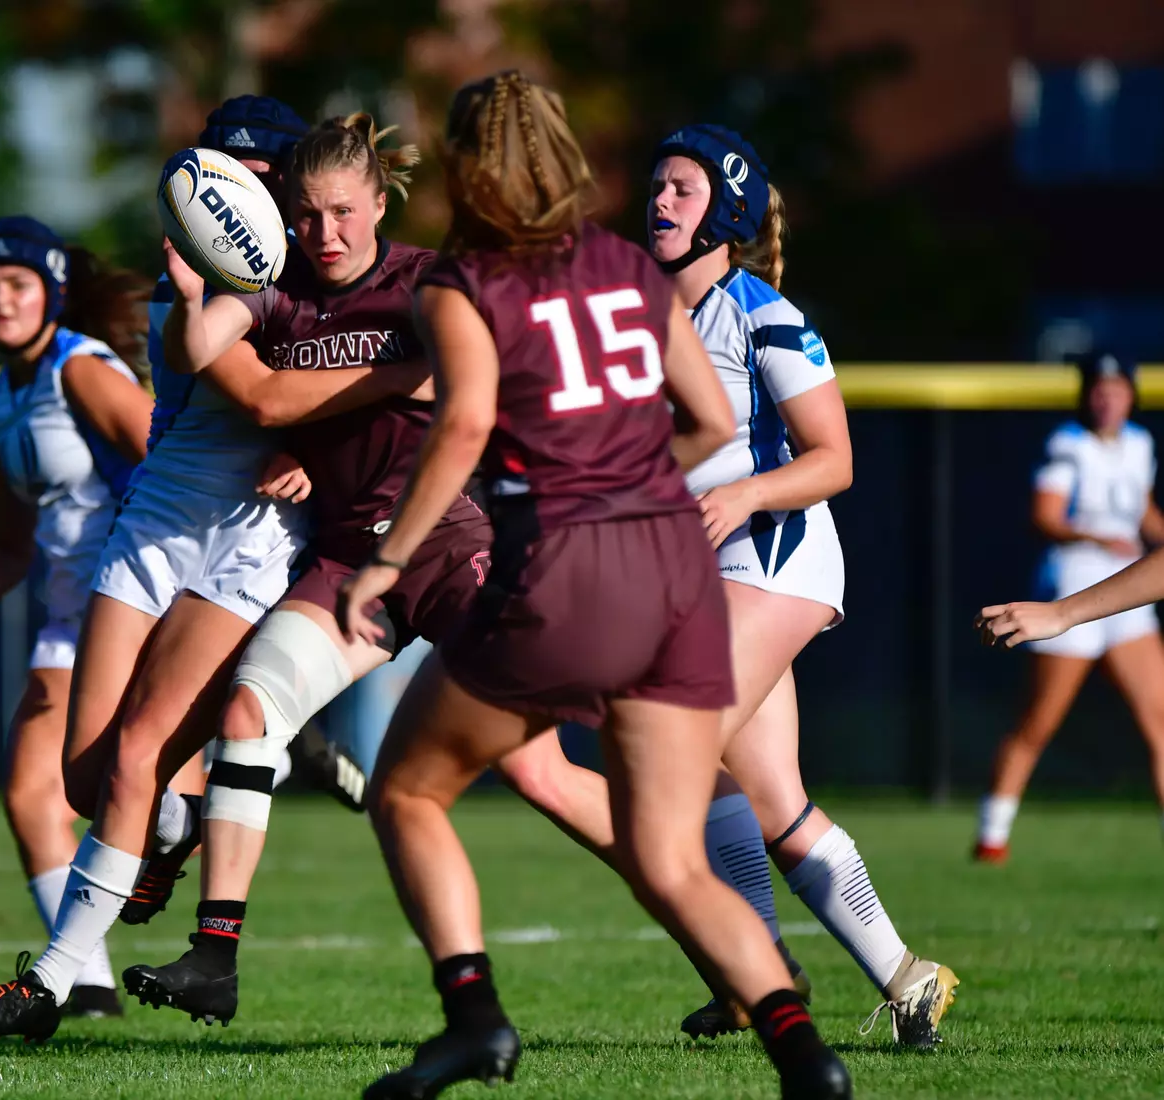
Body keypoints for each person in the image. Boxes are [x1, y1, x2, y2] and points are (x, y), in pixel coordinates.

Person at [339, 72, 852, 1100]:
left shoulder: (460, 280)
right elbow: (708, 421)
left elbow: (468, 423)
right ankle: (808, 1059)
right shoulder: (628, 265)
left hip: (568, 569)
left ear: (468, 162)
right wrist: (627, 472)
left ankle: (473, 1017)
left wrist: (388, 559)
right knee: (671, 860)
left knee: (405, 788)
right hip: (677, 572)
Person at [120, 112, 634, 1032]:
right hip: (353, 559)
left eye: (343, 212)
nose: (325, 234)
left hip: (449, 543)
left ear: (381, 199)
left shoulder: (426, 283)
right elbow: (201, 355)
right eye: (307, 215)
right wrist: (204, 284)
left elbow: (492, 385)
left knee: (539, 774)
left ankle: (713, 917)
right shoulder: (277, 292)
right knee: (250, 712)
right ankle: (214, 956)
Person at [0, 98, 430, 1043]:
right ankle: (175, 822)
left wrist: (322, 446)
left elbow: (322, 384)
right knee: (88, 782)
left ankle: (48, 985)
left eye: (253, 174)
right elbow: (230, 375)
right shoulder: (213, 271)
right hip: (158, 519)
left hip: (251, 535)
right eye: (219, 171)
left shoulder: (310, 273)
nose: (231, 191)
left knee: (135, 754)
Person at [646, 125, 957, 1047]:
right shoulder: (642, 314)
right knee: (765, 799)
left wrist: (744, 492)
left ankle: (756, 972)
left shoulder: (763, 312)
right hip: (704, 573)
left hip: (778, 559)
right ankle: (907, 978)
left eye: (682, 190)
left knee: (669, 735)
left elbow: (837, 460)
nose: (659, 201)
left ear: (728, 214)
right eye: (655, 185)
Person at [0, 216, 153, 1018]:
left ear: (51, 292)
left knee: (134, 793)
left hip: (138, 606)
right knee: (30, 796)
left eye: (17, 284)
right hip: (67, 619)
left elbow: (171, 462)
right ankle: (84, 986)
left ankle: (255, 739)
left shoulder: (79, 369)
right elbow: (7, 547)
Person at [975, 351, 1164, 861]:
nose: (1108, 397)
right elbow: (1047, 515)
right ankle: (992, 834)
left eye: (1117, 388)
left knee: (1160, 718)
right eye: (1099, 389)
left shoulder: (1139, 444)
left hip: (1132, 599)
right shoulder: (1069, 445)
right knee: (1039, 721)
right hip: (1076, 587)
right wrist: (1100, 539)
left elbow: (1142, 509)